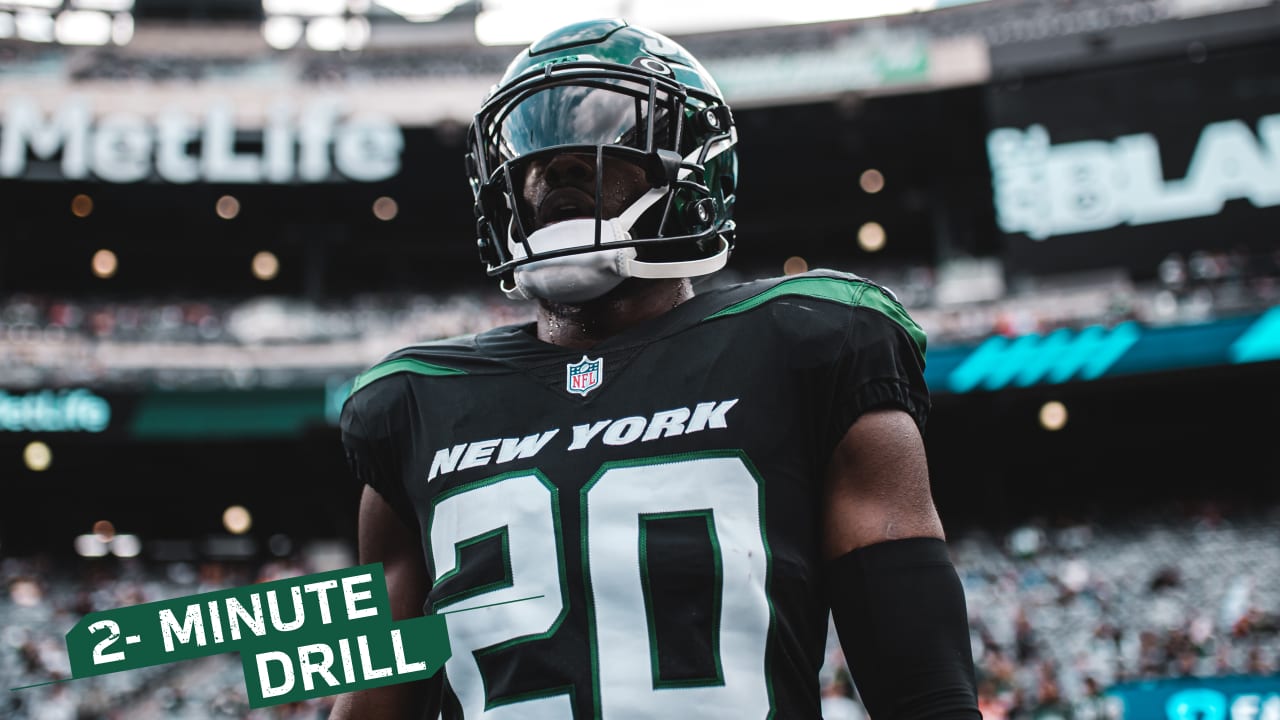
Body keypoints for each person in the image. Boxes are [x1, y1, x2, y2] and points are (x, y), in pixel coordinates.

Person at [331, 18, 979, 720]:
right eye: (531, 148)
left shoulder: (808, 342)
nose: (555, 165)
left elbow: (925, 693)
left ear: (693, 166)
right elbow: (373, 699)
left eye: (601, 127)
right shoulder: (412, 404)